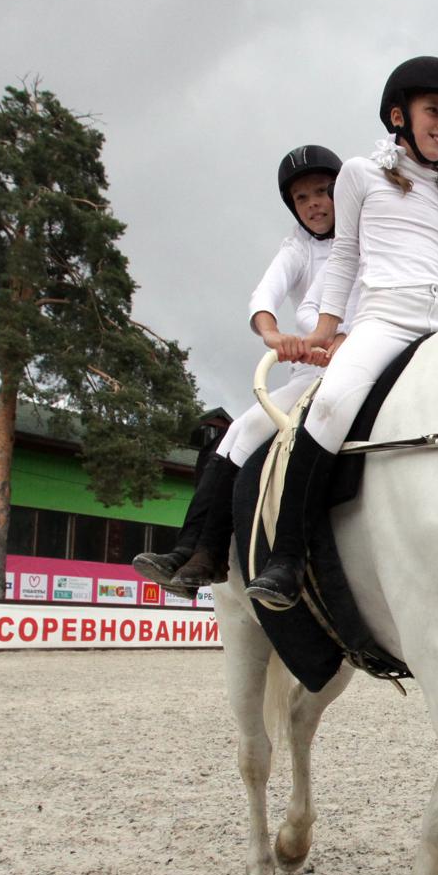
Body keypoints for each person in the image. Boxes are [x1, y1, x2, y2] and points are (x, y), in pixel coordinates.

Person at [247, 56, 438, 610]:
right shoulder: (358, 173)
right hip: (385, 319)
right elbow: (346, 256)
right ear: (399, 114)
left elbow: (433, 265)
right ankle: (287, 556)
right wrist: (328, 331)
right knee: (327, 408)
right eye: (434, 111)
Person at [134, 143, 344, 595]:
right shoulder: (299, 247)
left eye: (323, 192)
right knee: (239, 433)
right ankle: (198, 549)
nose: (313, 204)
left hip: (356, 364)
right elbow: (264, 297)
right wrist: (273, 336)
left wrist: (338, 343)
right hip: (310, 372)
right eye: (302, 198)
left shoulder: (365, 242)